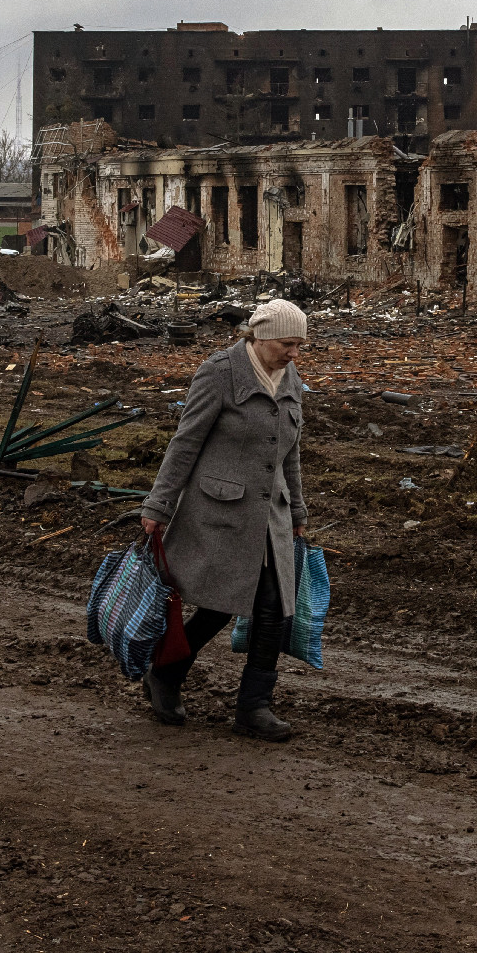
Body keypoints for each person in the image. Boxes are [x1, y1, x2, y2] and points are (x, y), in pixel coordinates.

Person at [138, 297, 310, 741]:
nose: (295, 354)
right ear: (262, 337)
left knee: (273, 608)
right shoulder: (220, 372)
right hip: (219, 510)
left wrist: (297, 510)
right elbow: (185, 442)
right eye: (288, 344)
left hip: (269, 515)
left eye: (300, 345)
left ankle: (254, 707)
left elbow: (288, 450)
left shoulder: (288, 374)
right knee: (219, 604)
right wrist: (158, 506)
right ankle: (166, 672)